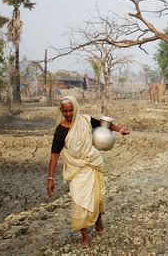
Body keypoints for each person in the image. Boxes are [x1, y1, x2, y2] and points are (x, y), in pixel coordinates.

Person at [47, 96, 129, 248]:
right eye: (64, 111)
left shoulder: (85, 120)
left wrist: (120, 129)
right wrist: (50, 178)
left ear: (76, 108)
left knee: (96, 196)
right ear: (61, 111)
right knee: (79, 202)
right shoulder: (60, 130)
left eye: (71, 110)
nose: (68, 114)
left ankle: (98, 221)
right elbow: (55, 154)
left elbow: (103, 124)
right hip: (75, 169)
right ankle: (85, 236)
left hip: (92, 164)